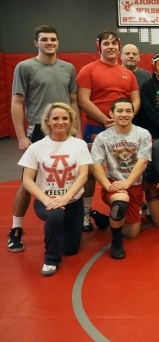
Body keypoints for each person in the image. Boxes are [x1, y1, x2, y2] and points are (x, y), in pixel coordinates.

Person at [8, 25, 81, 252]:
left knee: (73, 173)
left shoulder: (68, 67)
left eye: (53, 39)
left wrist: (76, 129)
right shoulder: (25, 67)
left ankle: (76, 216)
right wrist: (21, 136)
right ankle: (16, 228)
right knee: (27, 182)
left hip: (65, 128)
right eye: (44, 39)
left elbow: (73, 101)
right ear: (36, 43)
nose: (49, 42)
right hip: (39, 129)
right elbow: (17, 103)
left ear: (58, 42)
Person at [18, 103, 92, 275]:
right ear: (48, 121)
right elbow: (27, 180)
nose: (61, 122)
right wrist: (45, 200)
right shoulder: (36, 148)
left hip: (73, 201)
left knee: (70, 250)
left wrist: (66, 198)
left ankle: (70, 225)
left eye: (65, 118)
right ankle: (50, 260)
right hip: (47, 201)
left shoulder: (79, 145)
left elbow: (83, 175)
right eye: (56, 118)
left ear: (71, 121)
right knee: (55, 213)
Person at [77, 30, 140, 232]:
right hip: (96, 127)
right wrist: (106, 120)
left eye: (114, 43)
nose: (111, 47)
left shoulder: (128, 73)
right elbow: (83, 100)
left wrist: (124, 119)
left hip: (123, 129)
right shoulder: (88, 70)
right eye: (107, 43)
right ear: (99, 46)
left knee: (126, 164)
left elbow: (135, 100)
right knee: (89, 171)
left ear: (119, 45)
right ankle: (85, 214)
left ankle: (126, 201)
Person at [89, 98, 152, 259]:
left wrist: (127, 182)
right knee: (120, 201)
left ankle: (104, 219)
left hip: (134, 183)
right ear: (111, 113)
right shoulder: (103, 137)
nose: (124, 114)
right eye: (119, 111)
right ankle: (116, 241)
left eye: (128, 111)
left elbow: (142, 162)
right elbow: (95, 165)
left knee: (131, 233)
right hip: (113, 184)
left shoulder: (143, 134)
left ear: (133, 113)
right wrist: (108, 186)